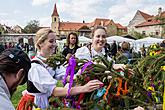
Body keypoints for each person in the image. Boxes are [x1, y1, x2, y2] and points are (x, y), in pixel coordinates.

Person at [17, 28, 103, 109]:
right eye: (51, 41)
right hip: (35, 103)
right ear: (40, 43)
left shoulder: (52, 62)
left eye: (55, 41)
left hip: (48, 100)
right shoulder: (36, 66)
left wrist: (83, 71)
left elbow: (67, 77)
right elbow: (55, 91)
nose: (54, 44)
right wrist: (84, 88)